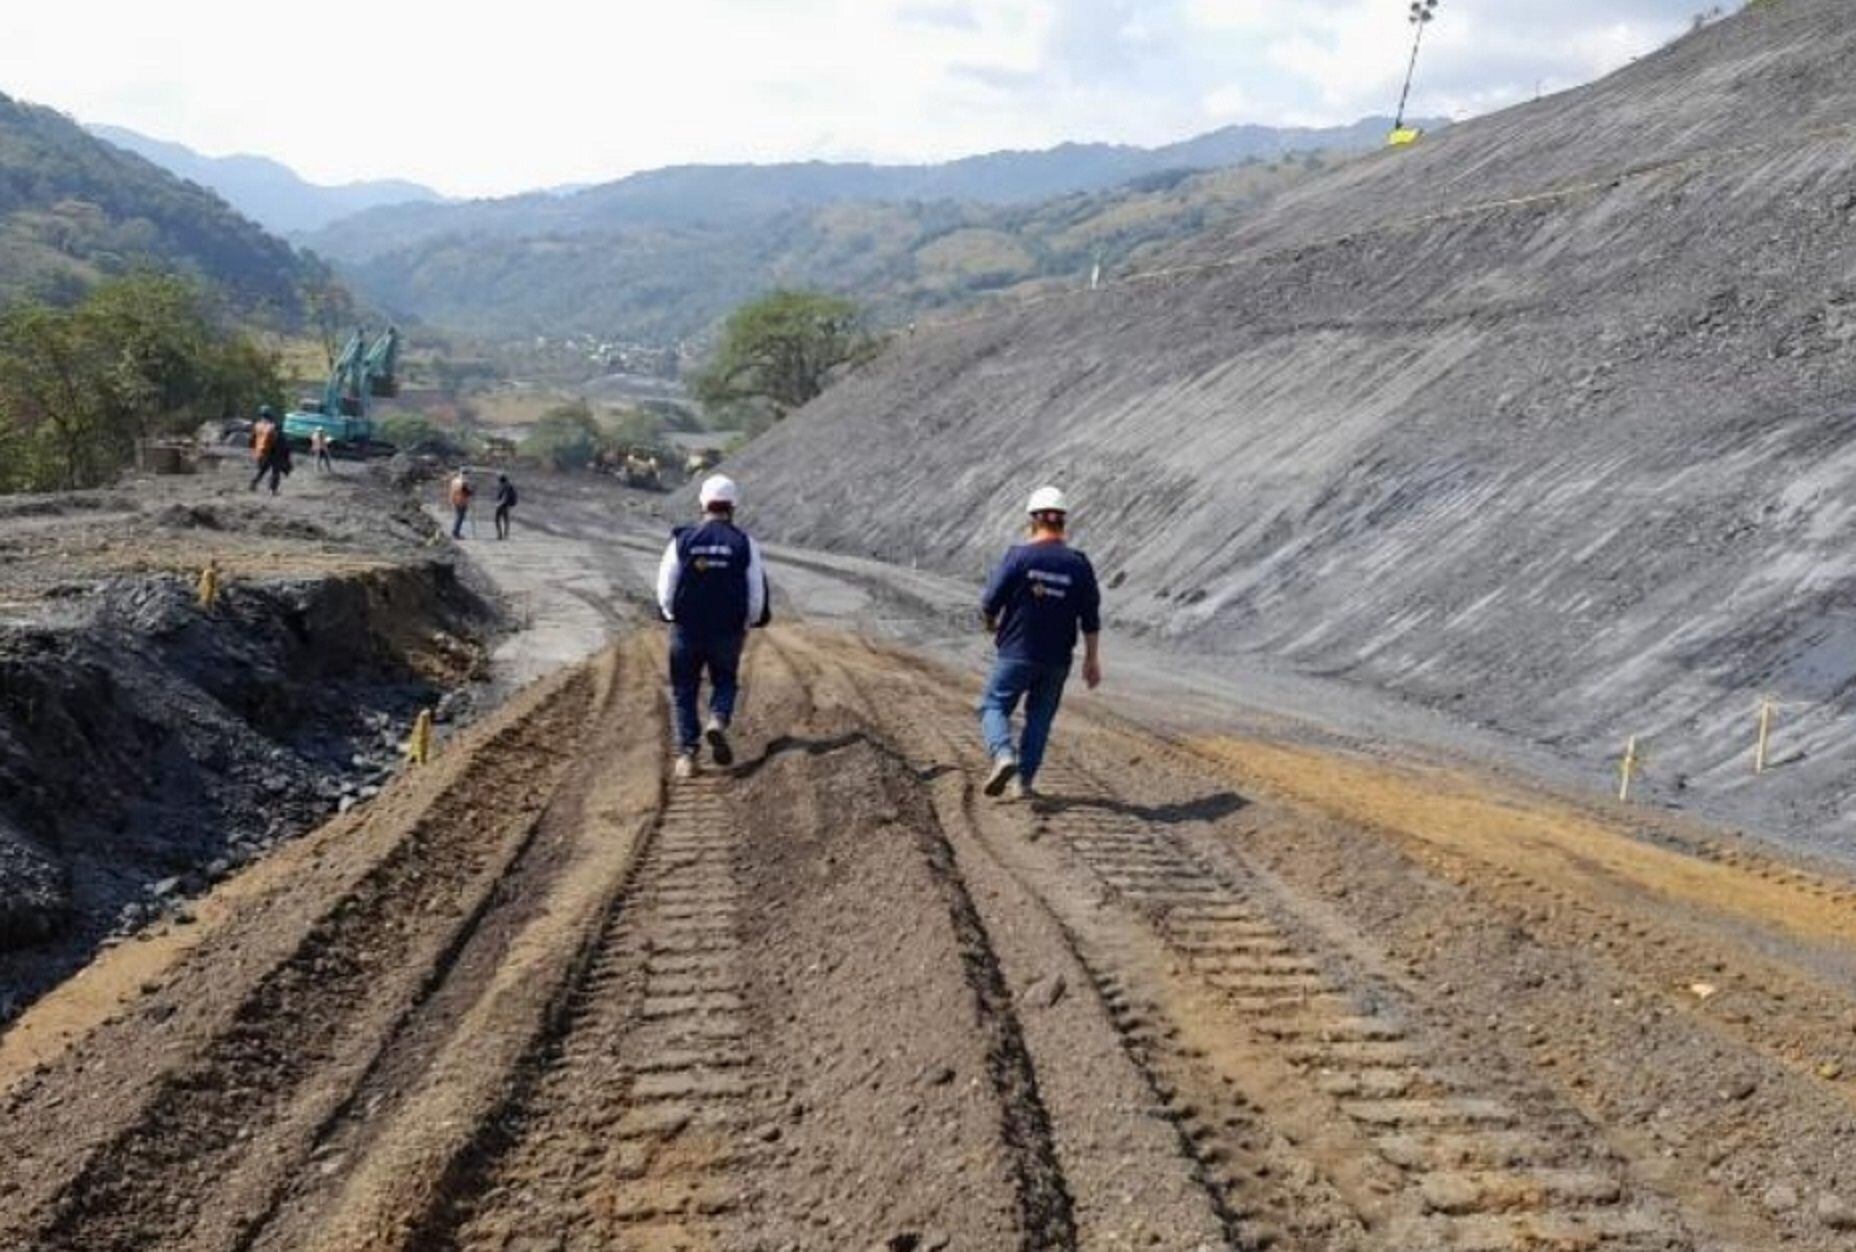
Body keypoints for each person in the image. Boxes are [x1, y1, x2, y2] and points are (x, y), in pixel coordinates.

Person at [978, 486, 1102, 802]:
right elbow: (1090, 617)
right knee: (1039, 719)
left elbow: (990, 601)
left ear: (1033, 520)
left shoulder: (1019, 556)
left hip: (1016, 653)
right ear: (1063, 522)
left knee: (993, 706)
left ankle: (1003, 754)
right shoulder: (1079, 564)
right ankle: (1024, 783)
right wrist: (1091, 659)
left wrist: (991, 624)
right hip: (1058, 659)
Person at [656, 474, 770, 779]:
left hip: (687, 628)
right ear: (733, 506)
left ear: (702, 504)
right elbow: (756, 590)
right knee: (725, 680)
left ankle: (688, 756)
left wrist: (669, 613)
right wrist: (750, 620)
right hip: (727, 629)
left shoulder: (682, 540)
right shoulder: (745, 543)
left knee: (684, 689)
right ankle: (718, 719)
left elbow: (666, 585)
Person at [248, 405, 281, 493]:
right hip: (271, 452)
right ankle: (272, 489)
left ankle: (253, 484)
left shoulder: (257, 425)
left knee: (262, 470)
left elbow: (251, 440)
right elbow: (276, 441)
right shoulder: (273, 426)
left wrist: (255, 450)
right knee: (275, 470)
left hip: (260, 452)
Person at [449, 469, 474, 539]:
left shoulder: (455, 480)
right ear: (465, 474)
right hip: (461, 502)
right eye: (468, 474)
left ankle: (455, 532)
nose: (469, 476)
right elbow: (466, 492)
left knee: (458, 517)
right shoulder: (463, 482)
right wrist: (472, 492)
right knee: (460, 518)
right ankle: (456, 533)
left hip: (455, 500)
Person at [493, 473, 518, 540]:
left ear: (501, 481)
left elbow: (504, 498)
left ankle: (500, 535)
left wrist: (498, 504)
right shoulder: (509, 485)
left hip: (502, 505)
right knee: (506, 520)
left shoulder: (505, 487)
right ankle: (506, 535)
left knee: (497, 519)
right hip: (507, 506)